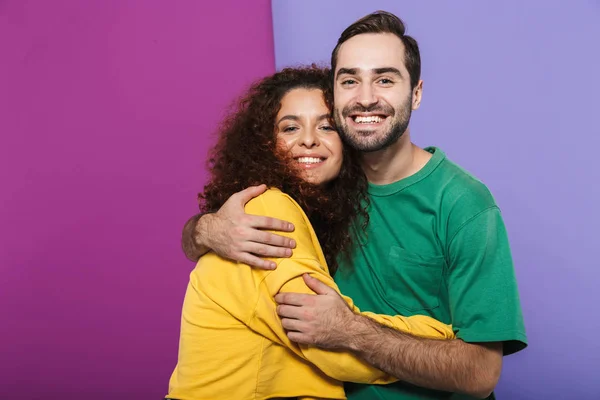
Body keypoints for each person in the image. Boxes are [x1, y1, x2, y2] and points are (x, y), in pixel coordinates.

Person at [181, 11, 528, 400]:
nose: (365, 97)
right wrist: (206, 229)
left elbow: (481, 374)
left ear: (415, 93)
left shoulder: (464, 204)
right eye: (350, 80)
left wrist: (349, 330)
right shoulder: (321, 183)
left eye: (384, 79)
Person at [166, 65, 456, 400]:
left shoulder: (318, 217)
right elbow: (326, 343)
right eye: (290, 127)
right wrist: (446, 338)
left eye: (327, 126)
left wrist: (200, 229)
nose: (308, 139)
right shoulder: (268, 210)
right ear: (264, 143)